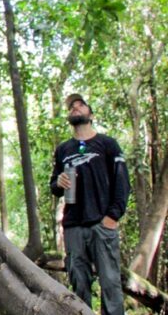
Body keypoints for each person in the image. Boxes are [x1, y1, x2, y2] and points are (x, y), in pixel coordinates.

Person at [50, 93, 130, 315]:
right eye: (71, 107)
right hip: (74, 226)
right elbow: (54, 186)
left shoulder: (108, 145)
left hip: (102, 224)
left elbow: (122, 183)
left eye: (80, 105)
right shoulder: (63, 150)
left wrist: (112, 217)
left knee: (110, 283)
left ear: (91, 114)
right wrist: (58, 182)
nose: (75, 108)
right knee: (79, 283)